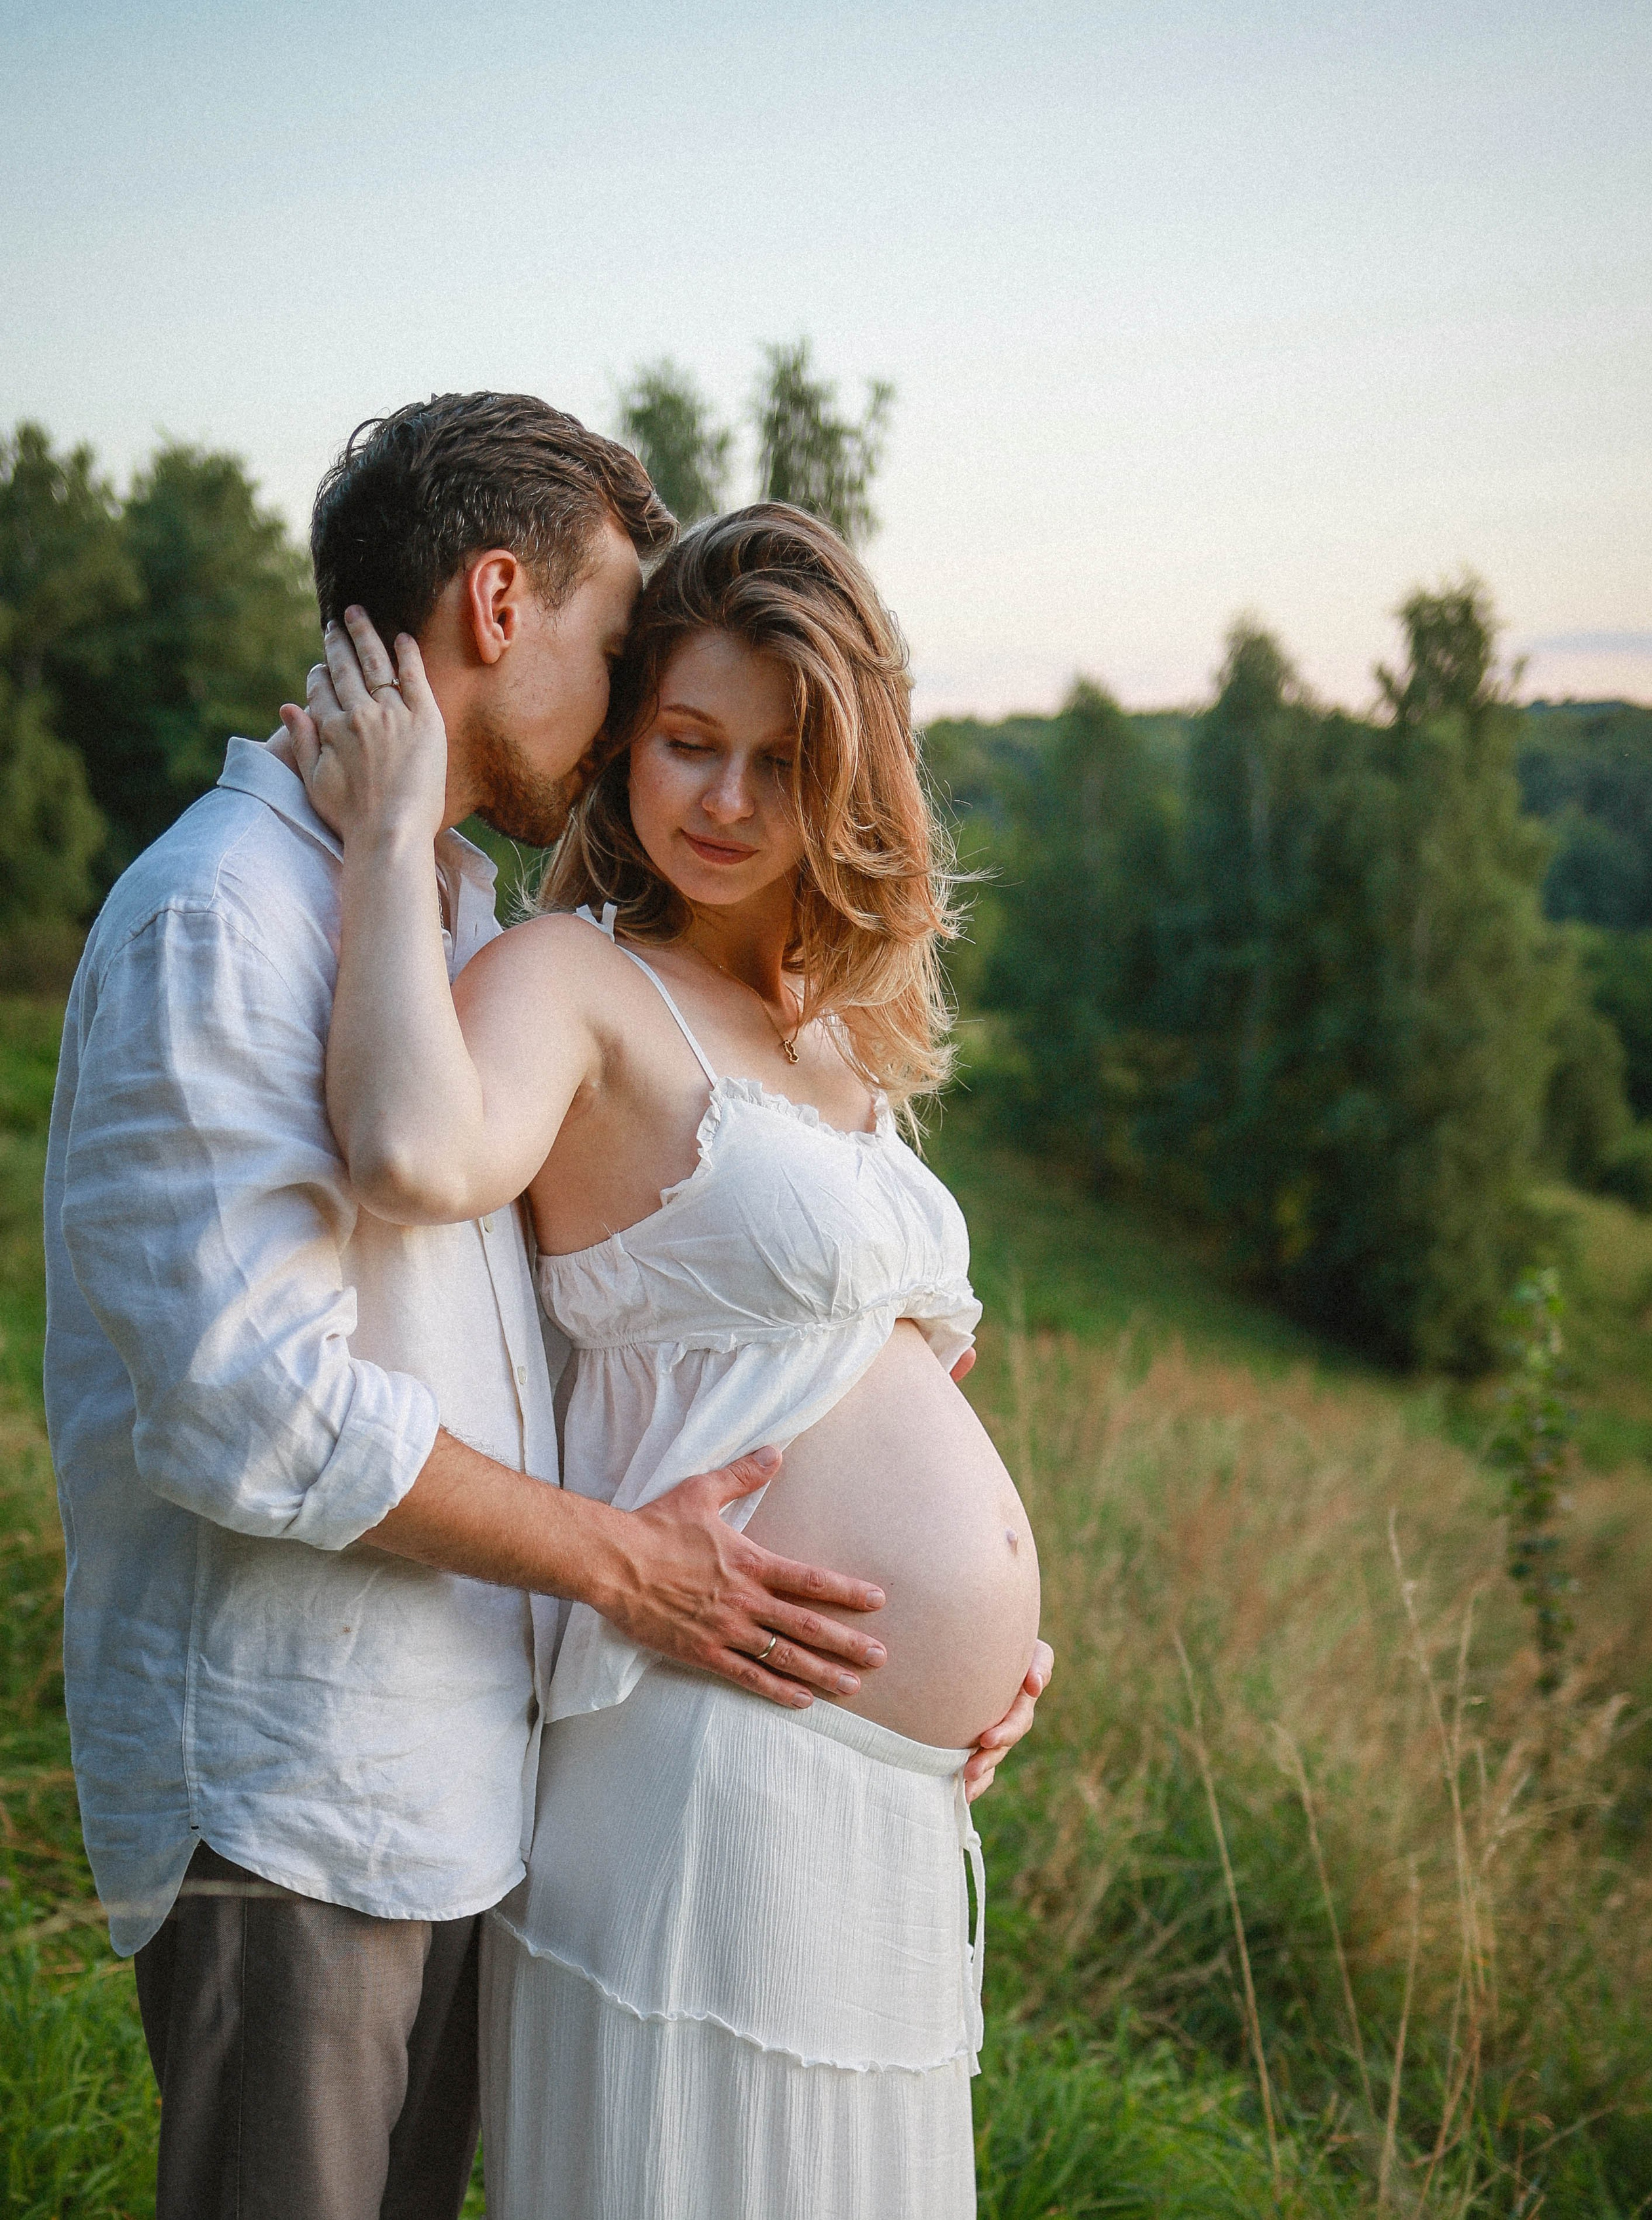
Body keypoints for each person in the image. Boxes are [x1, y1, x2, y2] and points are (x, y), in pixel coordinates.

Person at [43, 395, 1024, 2220]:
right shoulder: (228, 916)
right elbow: (244, 1407)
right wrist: (618, 1562)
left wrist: (963, 1627)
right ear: (501, 604)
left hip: (460, 1776)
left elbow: (624, 1353)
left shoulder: (447, 922)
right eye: (635, 670)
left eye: (776, 755)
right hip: (295, 1788)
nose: (696, 775)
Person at [291, 502, 1047, 2218]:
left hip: (883, 1797)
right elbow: (411, 1147)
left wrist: (993, 1637)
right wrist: (391, 832)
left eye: (778, 764)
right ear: (629, 735)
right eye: (689, 743)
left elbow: (861, 1385)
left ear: (846, 780)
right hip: (709, 1757)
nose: (723, 800)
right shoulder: (574, 980)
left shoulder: (842, 1029)